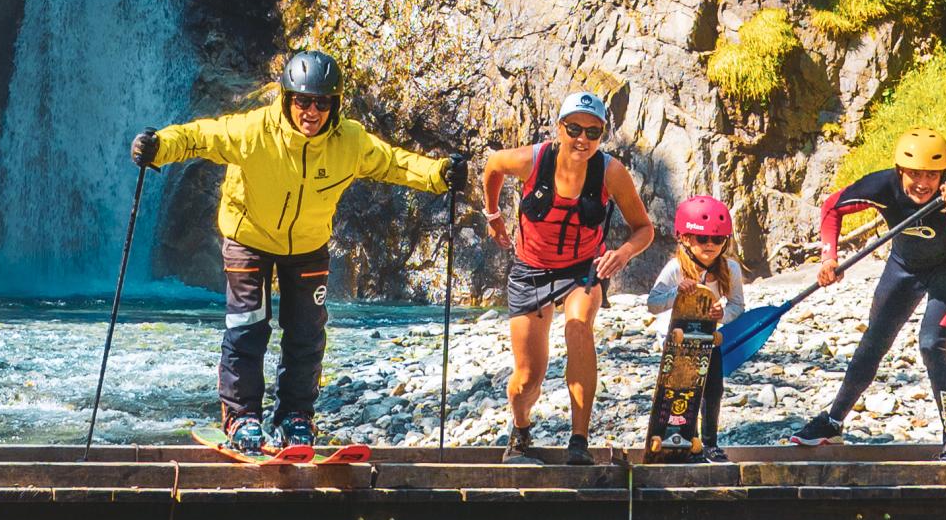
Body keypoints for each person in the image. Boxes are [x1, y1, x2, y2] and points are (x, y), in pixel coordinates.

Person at [133, 49, 464, 454]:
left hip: (307, 245)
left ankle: (296, 416)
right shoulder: (254, 131)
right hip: (247, 236)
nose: (311, 110)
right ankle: (241, 416)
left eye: (322, 102)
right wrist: (158, 146)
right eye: (302, 100)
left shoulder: (350, 142)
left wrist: (439, 174)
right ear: (287, 100)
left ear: (334, 105)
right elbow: (200, 136)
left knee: (307, 333)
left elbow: (393, 163)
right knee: (247, 328)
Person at [788, 128, 946, 458]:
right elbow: (832, 207)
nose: (923, 183)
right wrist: (829, 257)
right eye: (914, 174)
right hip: (903, 267)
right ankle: (832, 422)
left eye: (932, 175)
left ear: (943, 174)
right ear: (899, 171)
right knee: (874, 341)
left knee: (932, 345)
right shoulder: (883, 186)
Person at [478, 92, 656, 465]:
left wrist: (621, 254)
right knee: (528, 378)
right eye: (574, 128)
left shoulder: (610, 173)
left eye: (593, 132)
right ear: (560, 128)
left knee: (578, 327)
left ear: (602, 134)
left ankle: (579, 440)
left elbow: (644, 230)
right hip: (530, 271)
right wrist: (493, 217)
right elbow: (493, 164)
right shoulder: (533, 160)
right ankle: (521, 429)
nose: (582, 139)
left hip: (583, 269)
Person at [643, 195, 745, 461]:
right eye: (702, 239)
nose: (710, 245)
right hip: (676, 342)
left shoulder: (730, 269)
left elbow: (737, 306)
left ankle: (709, 443)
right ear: (685, 239)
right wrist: (677, 294)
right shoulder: (676, 267)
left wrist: (722, 314)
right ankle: (679, 439)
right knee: (679, 393)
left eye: (718, 239)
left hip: (707, 339)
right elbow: (652, 304)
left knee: (713, 390)